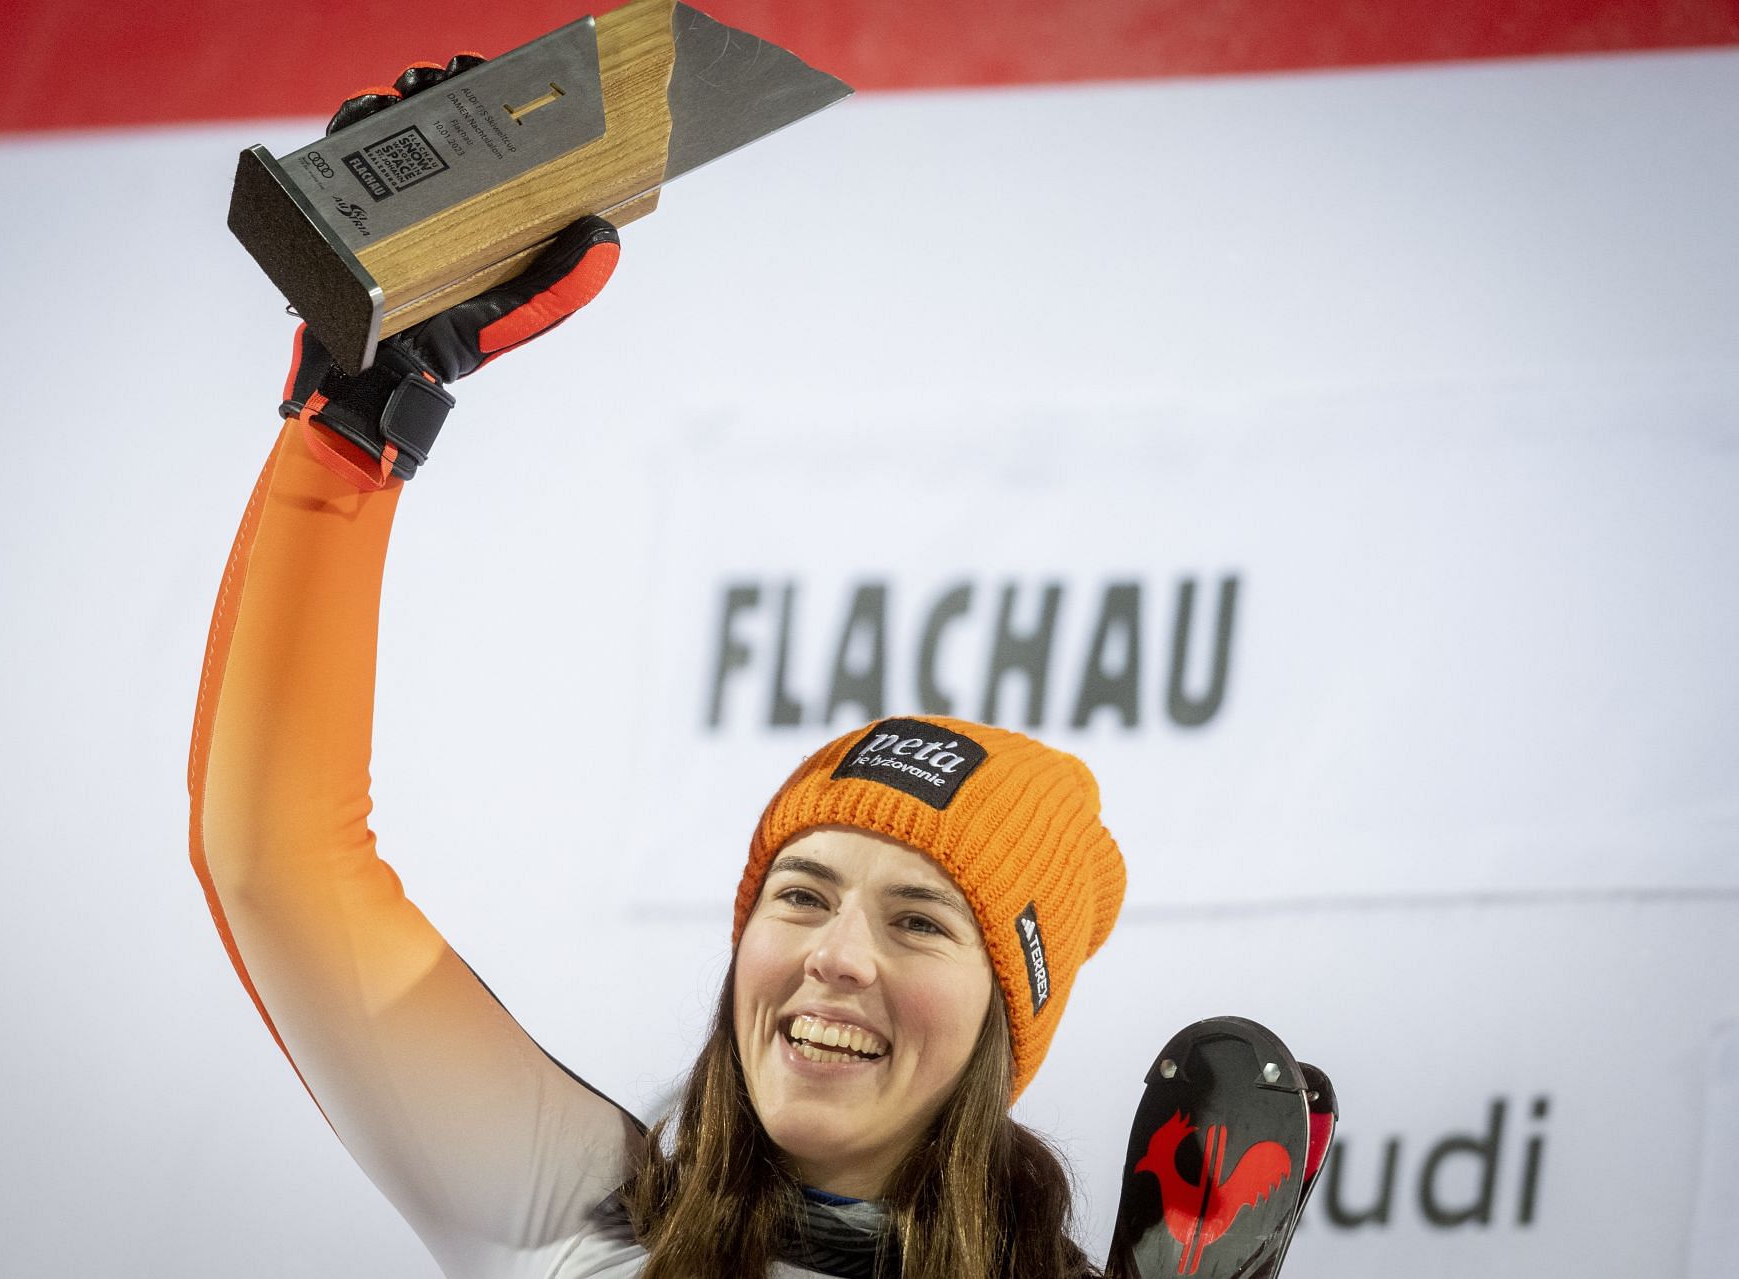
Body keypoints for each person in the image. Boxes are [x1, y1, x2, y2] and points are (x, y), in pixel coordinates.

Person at [189, 58, 1125, 1279]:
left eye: (919, 920)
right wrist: (352, 430)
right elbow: (270, 858)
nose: (836, 956)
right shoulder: (580, 1216)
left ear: (1011, 1021)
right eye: (800, 894)